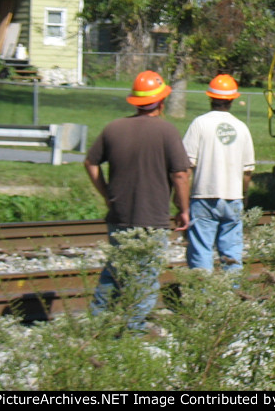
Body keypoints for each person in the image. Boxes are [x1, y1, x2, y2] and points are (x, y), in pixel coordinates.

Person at [84, 70, 190, 331]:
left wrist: (107, 194)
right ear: (161, 102)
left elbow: (90, 163)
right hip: (152, 217)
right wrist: (184, 209)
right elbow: (179, 174)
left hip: (119, 215)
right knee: (146, 273)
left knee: (115, 269)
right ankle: (133, 327)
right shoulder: (167, 131)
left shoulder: (113, 128)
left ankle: (98, 321)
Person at [183, 74, 255, 272]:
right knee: (232, 251)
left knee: (201, 249)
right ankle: (231, 295)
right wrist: (244, 195)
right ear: (232, 99)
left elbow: (187, 165)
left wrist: (180, 197)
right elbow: (247, 171)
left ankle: (202, 293)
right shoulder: (242, 128)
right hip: (233, 197)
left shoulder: (199, 124)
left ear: (210, 97)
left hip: (203, 196)